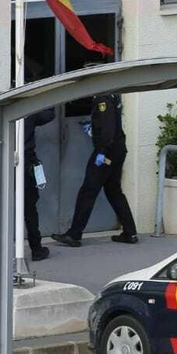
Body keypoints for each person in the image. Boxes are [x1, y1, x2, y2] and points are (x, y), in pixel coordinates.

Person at [51, 77, 138, 248]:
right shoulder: (112, 94)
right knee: (114, 191)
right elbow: (109, 123)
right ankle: (130, 232)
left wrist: (102, 151)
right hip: (117, 150)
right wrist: (93, 127)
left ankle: (74, 234)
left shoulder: (102, 98)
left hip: (106, 153)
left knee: (88, 191)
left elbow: (108, 128)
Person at [22, 105, 56, 262]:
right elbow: (49, 116)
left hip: (6, 164)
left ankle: (3, 250)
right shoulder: (27, 112)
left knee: (6, 210)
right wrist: (50, 99)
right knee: (29, 209)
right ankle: (36, 249)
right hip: (25, 164)